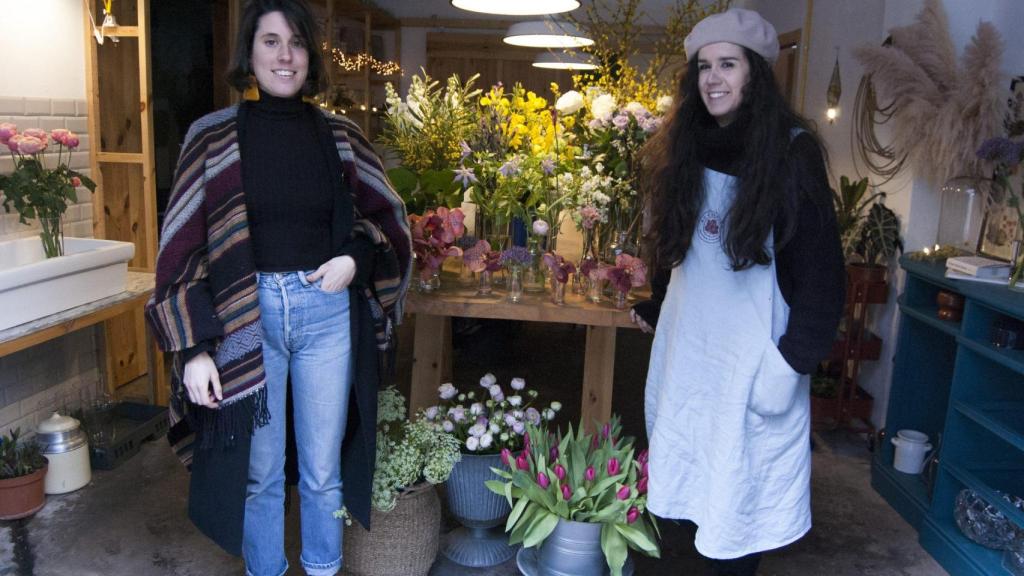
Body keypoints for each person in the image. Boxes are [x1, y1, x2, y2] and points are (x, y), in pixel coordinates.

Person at [145, 1, 411, 574]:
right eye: (270, 42)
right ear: (250, 53)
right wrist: (193, 349)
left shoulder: (340, 137)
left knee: (321, 472)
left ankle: (321, 567)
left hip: (325, 311)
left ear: (310, 56)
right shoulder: (211, 137)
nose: (284, 55)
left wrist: (352, 258)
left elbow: (383, 223)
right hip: (246, 319)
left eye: (295, 43)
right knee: (260, 475)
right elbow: (179, 248)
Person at [631, 8, 845, 576]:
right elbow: (676, 241)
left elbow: (823, 277)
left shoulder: (791, 154)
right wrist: (656, 303)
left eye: (728, 64)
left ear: (756, 74)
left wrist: (792, 363)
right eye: (704, 66)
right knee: (683, 493)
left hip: (752, 362)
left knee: (735, 503)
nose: (713, 78)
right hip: (691, 350)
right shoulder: (688, 144)